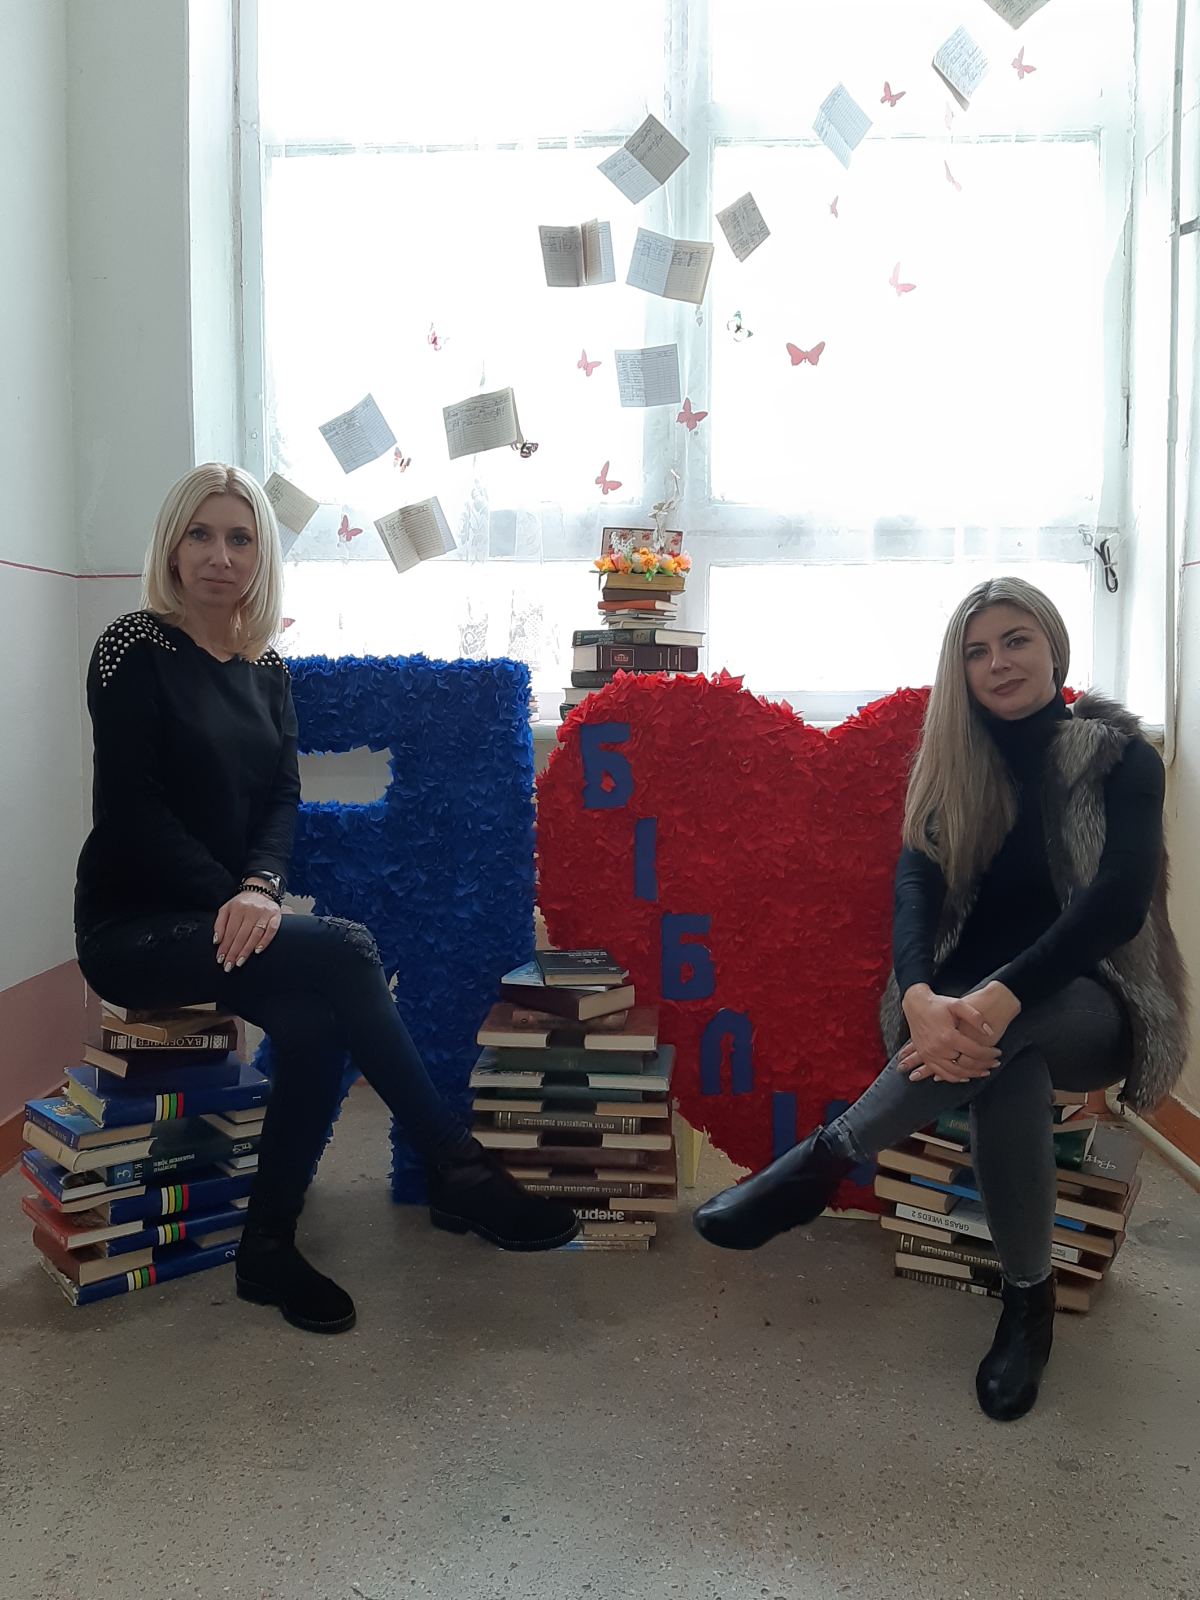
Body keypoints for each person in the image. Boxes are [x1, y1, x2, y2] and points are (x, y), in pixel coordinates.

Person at [74, 463, 580, 1337]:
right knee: (346, 949)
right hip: (136, 924)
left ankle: (266, 1247)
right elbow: (133, 809)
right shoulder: (132, 647)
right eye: (201, 534)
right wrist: (234, 896)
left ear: (261, 555)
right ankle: (457, 1167)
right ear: (172, 546)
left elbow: (281, 799)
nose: (220, 555)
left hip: (230, 914)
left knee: (314, 1025)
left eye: (240, 538)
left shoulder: (265, 668)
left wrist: (260, 887)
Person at [694, 577, 1189, 1421]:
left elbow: (1116, 904)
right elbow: (914, 892)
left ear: (1054, 646)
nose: (998, 663)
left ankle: (826, 1159)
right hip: (966, 1018)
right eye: (976, 651)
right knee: (1004, 1068)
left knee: (1013, 1027)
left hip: (1095, 1004)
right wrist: (920, 994)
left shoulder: (1119, 758)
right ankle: (1029, 1303)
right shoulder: (953, 763)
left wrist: (1001, 998)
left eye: (1016, 640)